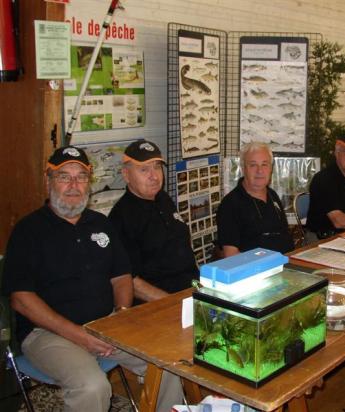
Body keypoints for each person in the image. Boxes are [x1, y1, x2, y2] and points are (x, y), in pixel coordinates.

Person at [2, 146, 183, 412]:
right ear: (48, 180)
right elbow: (21, 299)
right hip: (49, 334)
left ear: (89, 181)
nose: (74, 185)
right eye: (65, 176)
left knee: (168, 363)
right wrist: (79, 335)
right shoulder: (28, 231)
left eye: (81, 177)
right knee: (92, 386)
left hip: (105, 324)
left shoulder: (101, 223)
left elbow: (121, 275)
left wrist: (119, 317)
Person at [109, 139, 198, 303]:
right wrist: (172, 303)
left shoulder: (163, 199)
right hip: (158, 304)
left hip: (192, 291)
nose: (154, 176)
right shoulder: (121, 218)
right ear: (126, 175)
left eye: (157, 167)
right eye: (144, 169)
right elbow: (130, 281)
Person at [216, 141, 294, 257]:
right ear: (243, 168)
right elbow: (231, 255)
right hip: (255, 271)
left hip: (285, 264)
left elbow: (285, 236)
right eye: (253, 165)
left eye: (264, 164)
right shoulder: (230, 204)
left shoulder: (272, 195)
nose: (260, 171)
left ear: (271, 168)